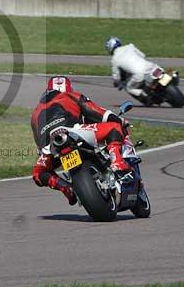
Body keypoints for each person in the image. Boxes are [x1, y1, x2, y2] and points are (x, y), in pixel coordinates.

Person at [30, 76, 132, 205]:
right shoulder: (71, 95)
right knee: (114, 128)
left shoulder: (35, 113)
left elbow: (39, 143)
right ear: (68, 87)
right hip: (75, 131)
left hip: (52, 145)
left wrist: (45, 154)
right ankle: (117, 162)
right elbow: (100, 114)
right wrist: (120, 120)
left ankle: (65, 187)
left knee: (38, 173)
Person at [105, 37, 161, 105]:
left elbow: (116, 77)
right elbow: (143, 55)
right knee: (161, 73)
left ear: (110, 48)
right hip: (150, 66)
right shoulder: (130, 46)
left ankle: (146, 98)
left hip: (138, 75)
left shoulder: (114, 59)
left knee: (129, 88)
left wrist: (117, 83)